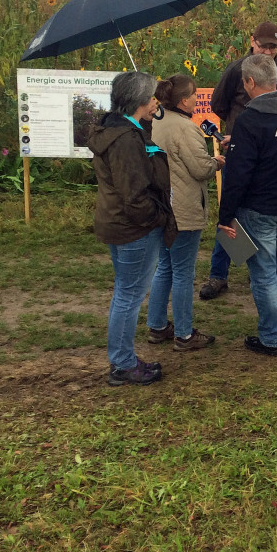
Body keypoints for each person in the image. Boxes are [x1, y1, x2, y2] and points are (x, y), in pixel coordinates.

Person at [216, 54, 277, 356]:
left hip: (260, 209)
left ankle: (271, 337)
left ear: (250, 82)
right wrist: (242, 144)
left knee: (264, 272)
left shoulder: (250, 120)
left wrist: (226, 215)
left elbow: (238, 176)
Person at [86, 71, 177, 387]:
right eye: (152, 97)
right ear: (140, 101)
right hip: (134, 230)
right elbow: (134, 194)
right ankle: (123, 364)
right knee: (128, 294)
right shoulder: (125, 140)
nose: (156, 102)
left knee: (126, 292)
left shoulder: (126, 129)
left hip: (122, 225)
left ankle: (122, 360)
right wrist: (156, 218)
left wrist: (146, 121)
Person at [201, 21, 277, 300]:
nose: (268, 51)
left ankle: (258, 270)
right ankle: (218, 274)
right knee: (231, 211)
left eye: (273, 46)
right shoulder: (237, 70)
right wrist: (238, 132)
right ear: (252, 41)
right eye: (263, 45)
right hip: (241, 148)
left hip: (274, 156)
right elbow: (218, 105)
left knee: (259, 214)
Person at [145, 74, 226, 351]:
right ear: (183, 100)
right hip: (183, 210)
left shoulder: (155, 122)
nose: (196, 99)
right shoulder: (186, 129)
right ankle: (184, 333)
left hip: (163, 207)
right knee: (182, 271)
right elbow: (200, 168)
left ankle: (156, 326)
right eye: (193, 95)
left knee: (165, 266)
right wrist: (216, 161)